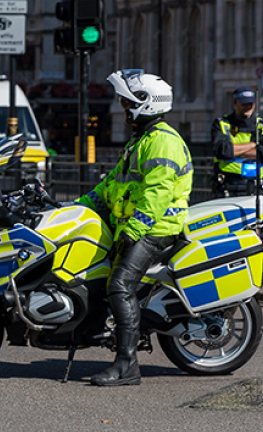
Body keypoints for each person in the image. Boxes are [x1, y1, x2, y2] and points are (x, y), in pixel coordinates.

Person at [78, 69, 192, 386]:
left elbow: (157, 195)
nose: (123, 108)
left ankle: (127, 366)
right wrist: (75, 207)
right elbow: (111, 185)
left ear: (146, 103)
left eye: (127, 102)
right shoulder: (141, 140)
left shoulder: (163, 143)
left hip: (157, 228)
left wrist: (132, 232)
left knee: (119, 286)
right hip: (134, 225)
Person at [211, 86, 263, 197]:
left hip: (256, 186)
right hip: (228, 184)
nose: (248, 107)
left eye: (251, 104)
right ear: (235, 103)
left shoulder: (262, 126)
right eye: (244, 104)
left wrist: (234, 150)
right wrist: (253, 145)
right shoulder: (221, 124)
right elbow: (223, 151)